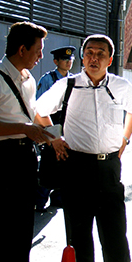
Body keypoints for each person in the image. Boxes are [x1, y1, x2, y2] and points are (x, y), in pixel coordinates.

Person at [36, 34, 132, 262]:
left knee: (115, 237)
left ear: (110, 59)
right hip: (76, 168)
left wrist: (125, 138)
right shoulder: (68, 85)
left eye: (100, 54)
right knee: (79, 237)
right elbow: (39, 110)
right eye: (89, 53)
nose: (94, 58)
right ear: (83, 58)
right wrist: (54, 138)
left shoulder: (120, 86)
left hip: (109, 168)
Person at [0, 21, 54, 262]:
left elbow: (34, 114)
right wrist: (23, 129)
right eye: (38, 50)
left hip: (25, 160)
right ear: (22, 50)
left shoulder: (29, 79)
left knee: (23, 227)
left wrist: (55, 136)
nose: (41, 56)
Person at [35, 45, 76, 212]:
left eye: (70, 59)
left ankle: (58, 199)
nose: (68, 62)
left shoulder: (74, 80)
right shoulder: (48, 80)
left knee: (65, 161)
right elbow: (38, 107)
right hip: (50, 124)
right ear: (56, 61)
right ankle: (40, 201)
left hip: (67, 125)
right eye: (65, 60)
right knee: (49, 162)